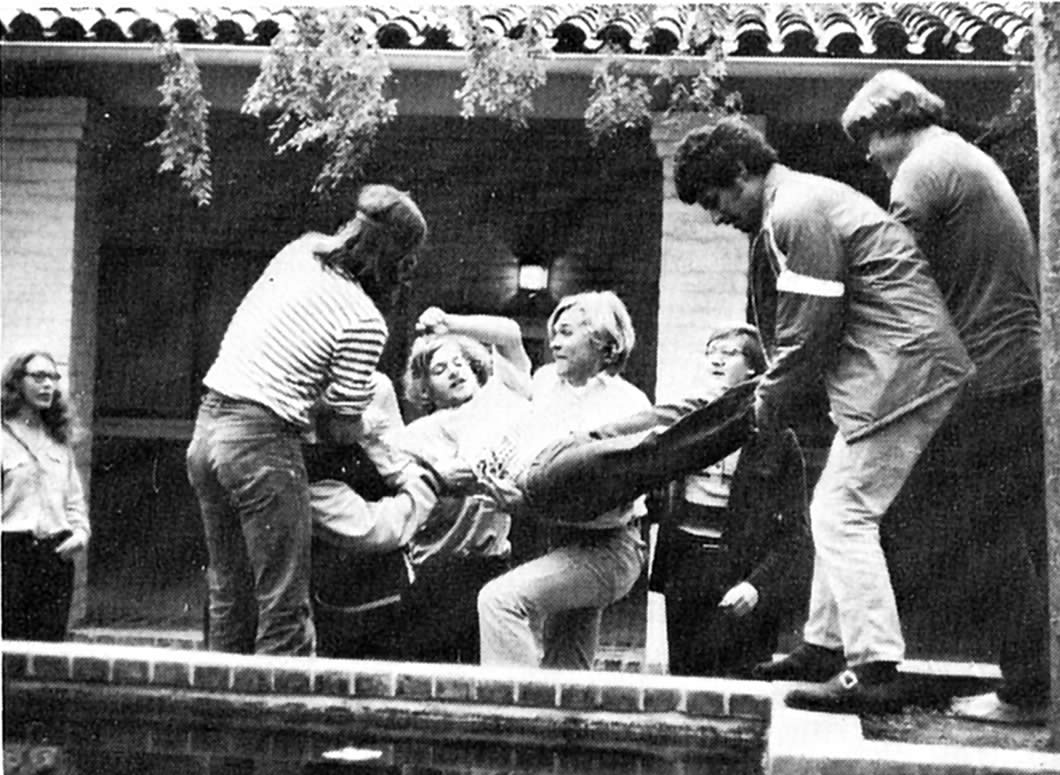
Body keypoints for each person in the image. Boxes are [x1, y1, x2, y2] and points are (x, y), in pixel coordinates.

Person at [673, 117, 974, 713]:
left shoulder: (795, 212)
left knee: (842, 515)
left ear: (741, 174)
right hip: (893, 374)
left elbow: (808, 330)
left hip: (902, 374)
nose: (716, 216)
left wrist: (768, 397)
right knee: (833, 509)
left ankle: (874, 667)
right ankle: (823, 647)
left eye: (715, 199)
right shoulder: (799, 202)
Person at [841, 69, 1048, 718]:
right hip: (1017, 368)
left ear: (888, 123)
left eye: (870, 140)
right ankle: (1034, 680)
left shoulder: (920, 171)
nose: (870, 157)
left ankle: (1026, 689)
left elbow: (891, 281)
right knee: (1013, 528)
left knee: (985, 532)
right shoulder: (961, 157)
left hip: (991, 376)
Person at [186, 183, 427, 656]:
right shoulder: (365, 318)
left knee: (230, 592)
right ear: (397, 258)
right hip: (261, 443)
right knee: (283, 605)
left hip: (208, 428)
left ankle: (220, 716)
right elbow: (340, 428)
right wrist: (369, 427)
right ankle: (282, 723)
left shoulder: (300, 251)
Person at [477, 290, 651, 670]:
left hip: (610, 548)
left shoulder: (630, 405)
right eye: (555, 332)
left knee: (500, 600)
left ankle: (515, 714)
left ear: (605, 342)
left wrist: (527, 504)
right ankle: (560, 727)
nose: (554, 341)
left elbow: (613, 508)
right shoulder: (544, 384)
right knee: (567, 665)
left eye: (567, 332)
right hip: (561, 541)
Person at [649, 326, 810, 678]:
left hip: (741, 575)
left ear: (753, 367)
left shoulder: (777, 438)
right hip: (685, 567)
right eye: (710, 352)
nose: (716, 359)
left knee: (743, 685)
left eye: (730, 352)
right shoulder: (686, 425)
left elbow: (796, 534)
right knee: (686, 684)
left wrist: (757, 586)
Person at [2, 351, 90, 641]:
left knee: (48, 650)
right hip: (10, 554)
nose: (48, 385)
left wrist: (79, 533)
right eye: (38, 377)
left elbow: (74, 500)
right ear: (16, 382)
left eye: (53, 377)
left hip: (54, 557)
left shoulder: (58, 439)